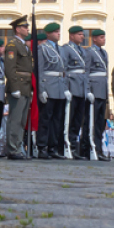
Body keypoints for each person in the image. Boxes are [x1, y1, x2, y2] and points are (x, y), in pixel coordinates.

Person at [2, 16, 32, 160]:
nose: (27, 29)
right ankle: (12, 149)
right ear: (18, 29)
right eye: (25, 27)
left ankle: (18, 147)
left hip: (25, 86)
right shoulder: (13, 45)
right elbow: (10, 67)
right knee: (14, 119)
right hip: (18, 85)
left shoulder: (24, 45)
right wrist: (14, 87)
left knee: (21, 120)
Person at [36, 23, 67, 160]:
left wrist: (66, 89)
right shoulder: (42, 48)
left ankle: (52, 147)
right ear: (48, 34)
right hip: (48, 86)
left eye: (59, 31)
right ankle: (42, 147)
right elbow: (40, 70)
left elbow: (64, 71)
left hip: (60, 87)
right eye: (55, 32)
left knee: (57, 120)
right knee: (45, 119)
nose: (58, 34)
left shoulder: (61, 49)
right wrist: (41, 89)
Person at [61, 26, 89, 160]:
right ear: (71, 36)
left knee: (78, 121)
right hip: (72, 87)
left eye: (82, 35)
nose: (82, 37)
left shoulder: (82, 51)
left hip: (81, 89)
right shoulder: (66, 49)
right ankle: (64, 146)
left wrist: (87, 90)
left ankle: (73, 147)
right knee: (69, 119)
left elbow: (86, 71)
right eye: (79, 34)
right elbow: (64, 69)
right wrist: (66, 88)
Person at [82, 30, 109, 160]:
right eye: (101, 37)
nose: (104, 39)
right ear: (95, 39)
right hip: (94, 91)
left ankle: (98, 149)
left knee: (100, 123)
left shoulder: (104, 53)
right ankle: (87, 148)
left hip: (102, 91)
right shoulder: (89, 52)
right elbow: (86, 72)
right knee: (90, 122)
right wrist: (87, 91)